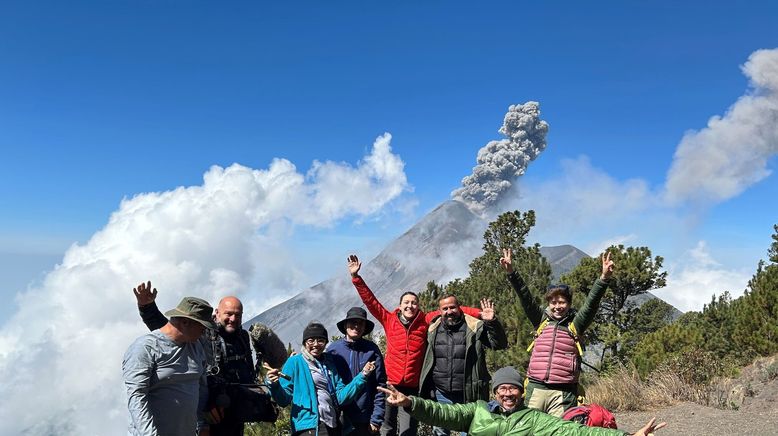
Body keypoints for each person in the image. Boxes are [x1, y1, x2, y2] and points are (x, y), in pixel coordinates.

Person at [347, 254, 483, 436]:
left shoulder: (425, 321)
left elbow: (455, 309)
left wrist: (481, 313)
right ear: (400, 305)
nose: (410, 306)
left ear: (418, 306)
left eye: (414, 303)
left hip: (412, 387)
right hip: (389, 383)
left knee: (408, 430)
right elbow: (371, 302)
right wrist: (356, 278)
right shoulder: (389, 320)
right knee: (386, 428)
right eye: (406, 302)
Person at [377, 366, 666, 436]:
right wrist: (410, 403)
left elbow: (575, 431)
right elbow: (442, 413)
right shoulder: (476, 411)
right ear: (494, 393)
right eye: (501, 389)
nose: (507, 394)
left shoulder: (534, 420)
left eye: (512, 389)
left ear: (521, 392)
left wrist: (627, 435)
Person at [500, 249, 615, 417]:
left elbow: (591, 305)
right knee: (529, 429)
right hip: (535, 387)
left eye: (562, 302)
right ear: (548, 303)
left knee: (560, 431)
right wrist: (511, 272)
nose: (557, 306)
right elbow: (526, 298)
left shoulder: (575, 325)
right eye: (553, 302)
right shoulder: (541, 321)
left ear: (569, 304)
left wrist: (603, 279)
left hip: (563, 392)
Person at [133, 281, 258, 435]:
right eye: (229, 314)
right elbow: (171, 330)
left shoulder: (243, 338)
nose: (233, 318)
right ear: (217, 313)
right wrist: (147, 308)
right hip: (208, 415)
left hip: (234, 416)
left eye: (237, 315)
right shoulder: (200, 334)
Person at [123, 296, 215, 436]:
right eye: (202, 328)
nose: (204, 333)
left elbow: (201, 388)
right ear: (185, 322)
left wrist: (203, 424)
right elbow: (136, 396)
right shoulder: (145, 348)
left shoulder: (196, 348)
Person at [265, 322, 376, 436]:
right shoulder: (295, 362)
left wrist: (363, 375)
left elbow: (340, 398)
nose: (316, 344)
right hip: (308, 427)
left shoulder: (329, 364)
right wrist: (274, 384)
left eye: (320, 340)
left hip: (332, 424)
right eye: (311, 340)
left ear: (326, 343)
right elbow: (283, 400)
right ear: (304, 342)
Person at [419, 296, 508, 436]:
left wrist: (492, 322)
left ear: (459, 307)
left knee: (471, 431)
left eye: (452, 307)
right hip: (441, 393)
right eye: (445, 309)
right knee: (440, 431)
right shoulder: (432, 330)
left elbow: (499, 344)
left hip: (469, 393)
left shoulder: (474, 327)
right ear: (439, 311)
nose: (449, 311)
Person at [327, 307, 387, 435]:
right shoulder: (333, 350)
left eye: (361, 323)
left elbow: (380, 385)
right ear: (345, 325)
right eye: (353, 322)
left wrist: (376, 418)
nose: (356, 326)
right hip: (340, 419)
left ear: (365, 327)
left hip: (365, 419)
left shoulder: (371, 350)